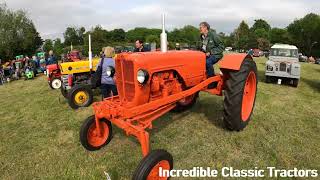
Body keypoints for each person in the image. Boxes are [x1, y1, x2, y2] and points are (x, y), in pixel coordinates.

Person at [199, 21, 224, 89]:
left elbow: (221, 47)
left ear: (205, 28)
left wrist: (210, 52)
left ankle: (212, 82)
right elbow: (201, 47)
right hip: (205, 55)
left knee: (207, 62)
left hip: (216, 55)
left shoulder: (213, 35)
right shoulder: (201, 37)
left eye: (200, 27)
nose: (199, 29)